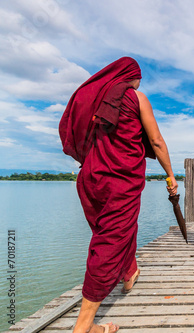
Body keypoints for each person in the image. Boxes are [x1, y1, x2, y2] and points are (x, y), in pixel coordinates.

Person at [59, 57, 178, 333]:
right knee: (110, 241)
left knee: (117, 231)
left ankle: (128, 272)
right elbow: (157, 141)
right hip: (119, 181)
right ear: (131, 76)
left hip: (90, 178)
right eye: (138, 79)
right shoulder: (135, 97)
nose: (139, 84)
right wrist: (170, 175)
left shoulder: (98, 98)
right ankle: (84, 327)